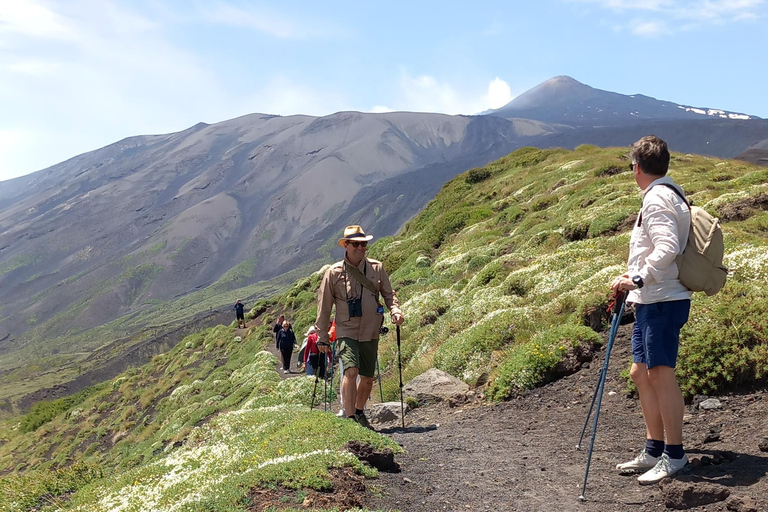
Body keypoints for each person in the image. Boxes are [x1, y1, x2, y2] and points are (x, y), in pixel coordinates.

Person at [611, 135, 692, 484]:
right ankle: (653, 449)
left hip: (662, 298)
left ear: (637, 167)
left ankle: (674, 455)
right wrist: (635, 277)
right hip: (652, 299)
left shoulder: (658, 197)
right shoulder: (664, 193)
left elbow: (668, 245)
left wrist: (639, 278)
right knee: (641, 373)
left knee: (660, 374)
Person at [316, 225, 404, 429]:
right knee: (351, 371)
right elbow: (324, 306)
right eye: (355, 244)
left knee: (367, 377)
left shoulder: (377, 268)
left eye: (363, 244)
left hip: (371, 330)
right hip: (346, 330)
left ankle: (358, 411)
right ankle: (350, 419)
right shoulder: (333, 273)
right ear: (346, 245)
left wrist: (395, 311)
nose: (361, 248)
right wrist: (322, 336)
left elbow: (389, 294)